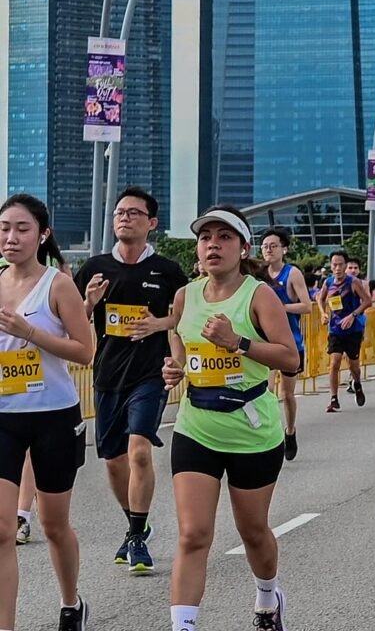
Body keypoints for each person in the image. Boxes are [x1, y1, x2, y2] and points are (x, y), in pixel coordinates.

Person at [162, 205, 298, 631]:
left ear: (243, 248)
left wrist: (237, 341)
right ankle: (183, 627)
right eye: (206, 238)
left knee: (253, 531)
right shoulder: (186, 296)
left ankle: (267, 597)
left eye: (224, 237)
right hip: (197, 424)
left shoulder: (258, 295)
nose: (213, 245)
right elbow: (182, 346)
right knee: (193, 534)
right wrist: (176, 368)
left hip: (251, 429)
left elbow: (291, 360)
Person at [75, 185, 188, 572]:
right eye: (119, 212)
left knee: (140, 449)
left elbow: (189, 313)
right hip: (107, 373)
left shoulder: (169, 271)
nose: (124, 217)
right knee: (112, 461)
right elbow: (71, 317)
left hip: (149, 374)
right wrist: (88, 302)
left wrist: (161, 323)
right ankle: (135, 522)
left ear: (151, 223)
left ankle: (137, 539)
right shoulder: (94, 268)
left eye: (133, 213)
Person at [0, 194, 94, 631]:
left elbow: (85, 351)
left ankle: (71, 602)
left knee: (54, 524)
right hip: (4, 416)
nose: (11, 237)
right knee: (2, 531)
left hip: (54, 416)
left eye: (21, 228)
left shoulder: (56, 285)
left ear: (42, 234)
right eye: (4, 228)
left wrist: (30, 331)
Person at [259, 227, 311, 462]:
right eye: (265, 246)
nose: (268, 250)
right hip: (266, 343)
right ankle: (270, 437)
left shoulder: (292, 274)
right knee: (266, 393)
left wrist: (280, 309)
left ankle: (290, 431)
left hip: (291, 342)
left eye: (273, 246)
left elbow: (307, 306)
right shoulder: (258, 274)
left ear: (284, 249)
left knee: (287, 394)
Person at [318, 251, 371, 412]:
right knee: (334, 361)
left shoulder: (353, 282)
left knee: (353, 365)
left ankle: (357, 383)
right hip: (335, 329)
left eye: (341, 264)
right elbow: (320, 298)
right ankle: (334, 399)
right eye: (334, 264)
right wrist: (323, 313)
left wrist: (353, 315)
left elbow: (368, 301)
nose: (338, 268)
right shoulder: (328, 282)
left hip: (352, 330)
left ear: (346, 266)